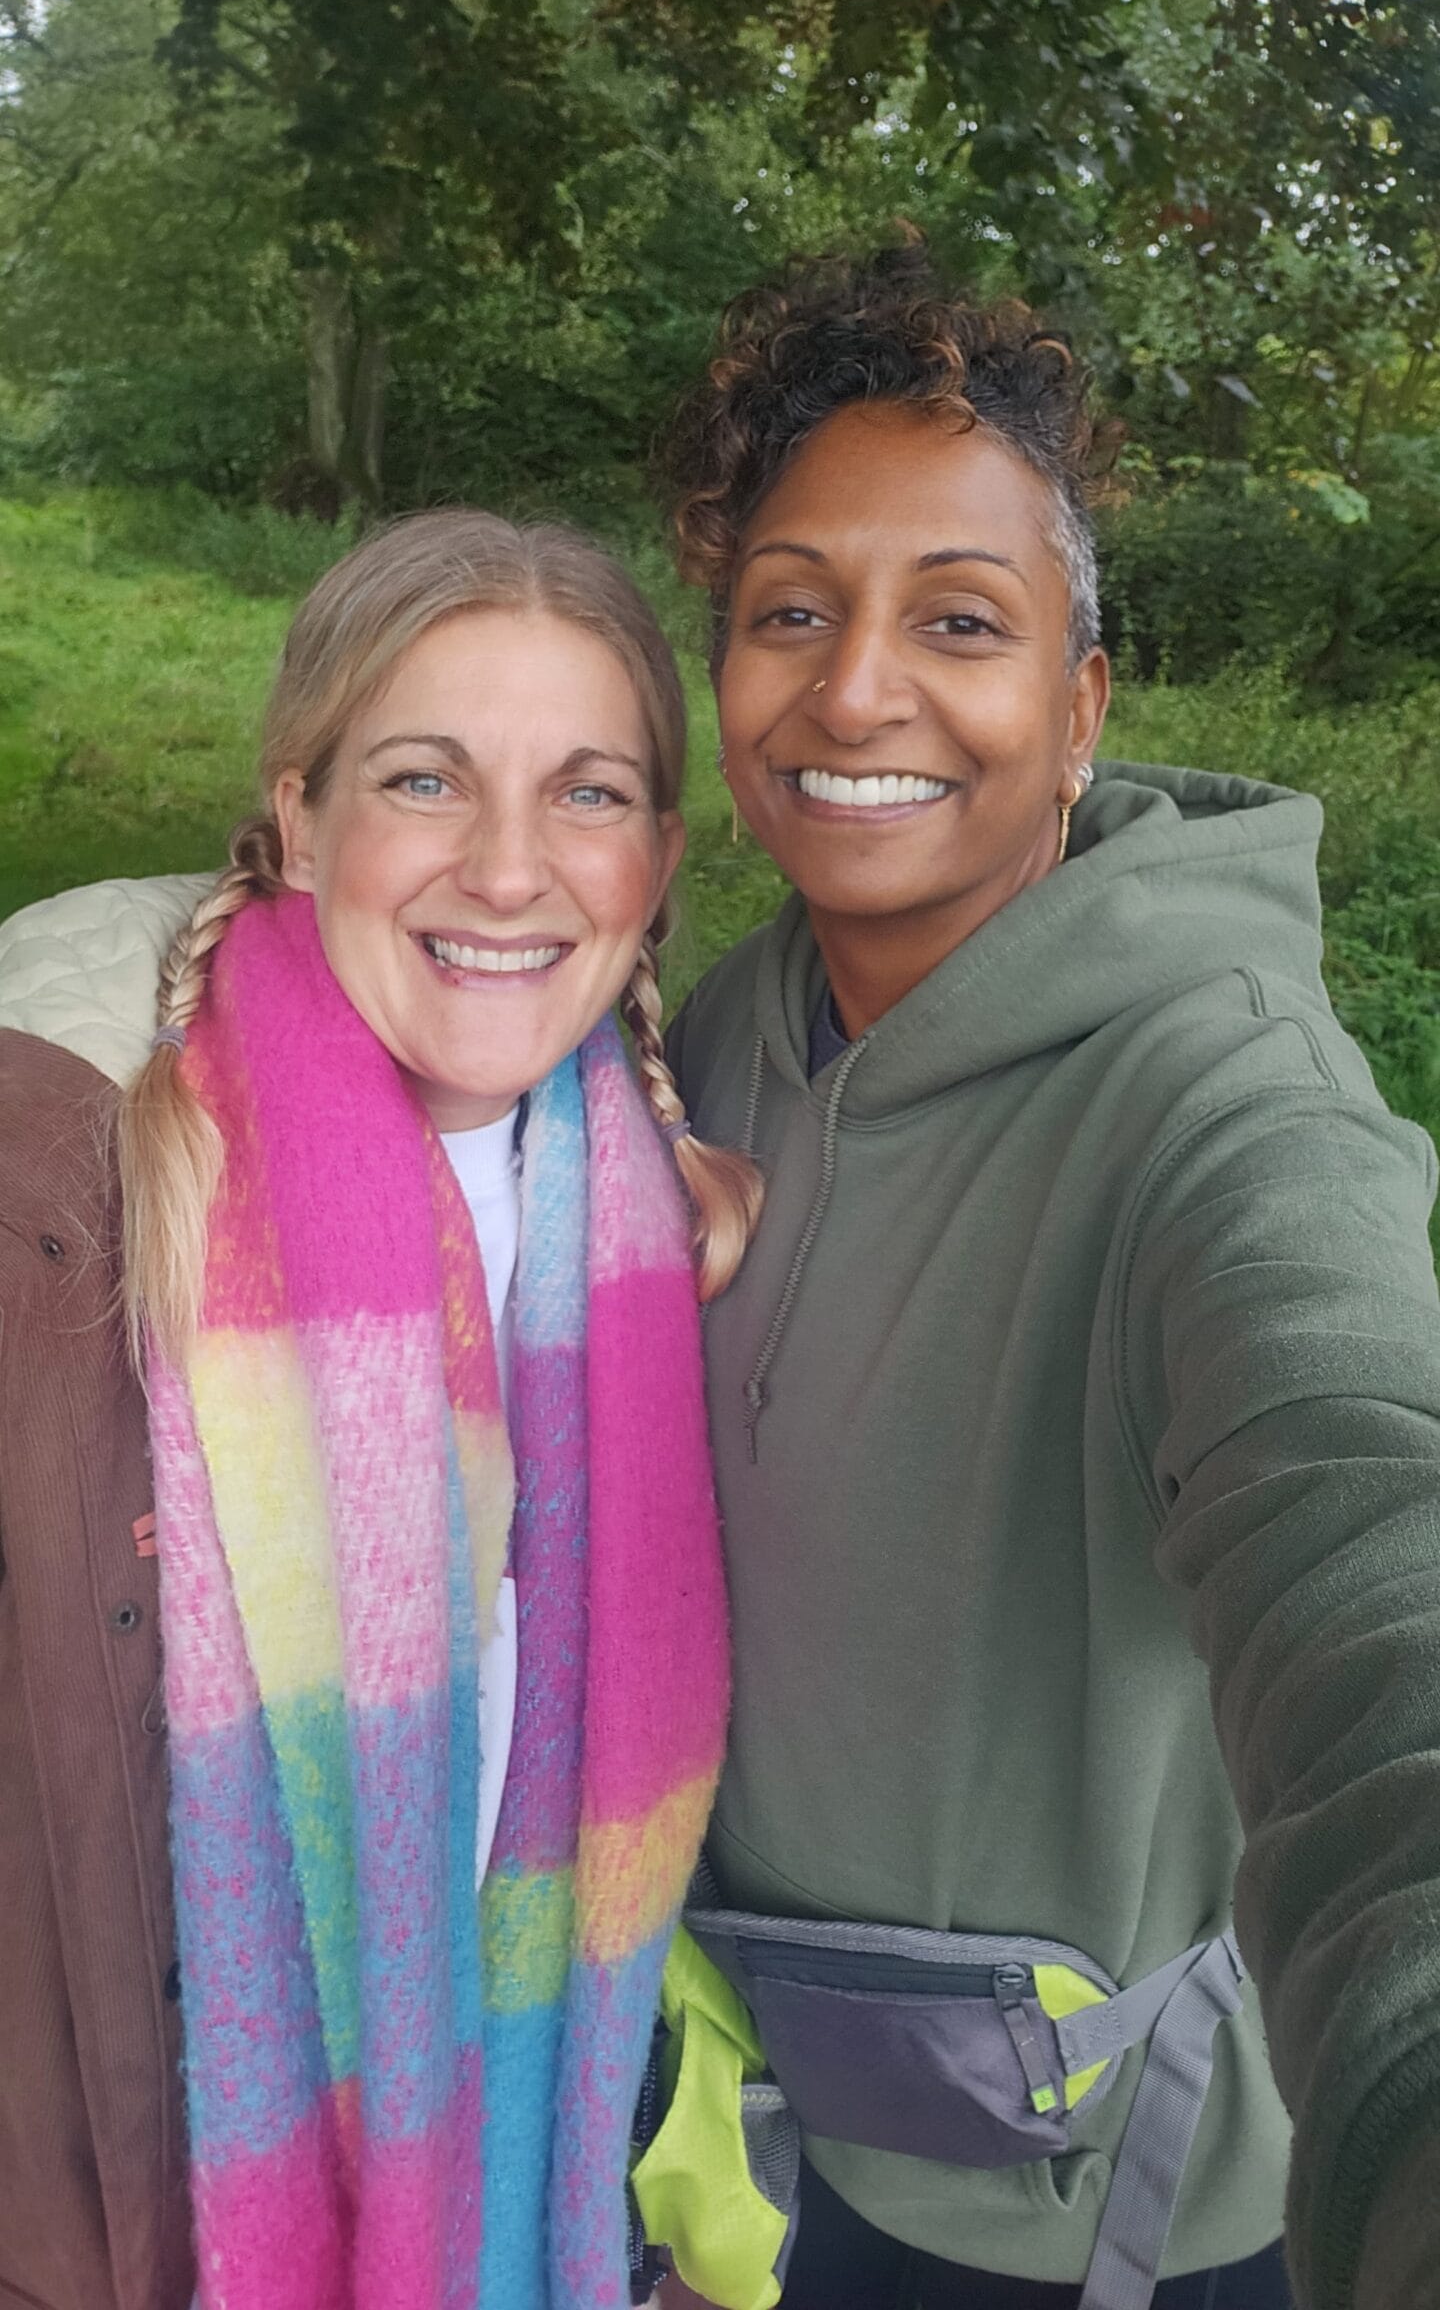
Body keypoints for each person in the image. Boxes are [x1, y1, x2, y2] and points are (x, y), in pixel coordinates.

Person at [659, 243, 1440, 2310]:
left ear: (1080, 703)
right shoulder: (708, 1038)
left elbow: (1360, 1493)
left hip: (1131, 2218)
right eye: (791, 608)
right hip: (779, 2131)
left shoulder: (1222, 1092)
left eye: (964, 620)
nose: (853, 688)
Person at [0, 509, 757, 2310]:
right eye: (426, 780)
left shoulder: (667, 1234)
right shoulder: (72, 1224)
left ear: (656, 856)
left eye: (586, 795)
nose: (508, 870)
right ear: (298, 815)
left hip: (535, 2215)